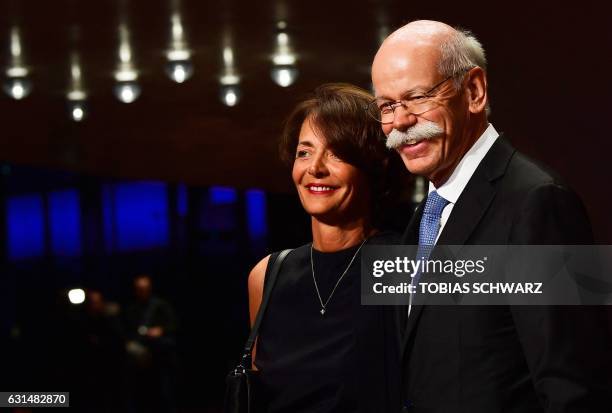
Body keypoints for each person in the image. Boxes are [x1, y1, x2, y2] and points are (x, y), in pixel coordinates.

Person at [370, 20, 612, 412]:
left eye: (416, 97)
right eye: (387, 106)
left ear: (474, 91)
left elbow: (578, 387)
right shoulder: (425, 216)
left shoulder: (541, 202)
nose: (400, 122)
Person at [248, 83, 403, 413]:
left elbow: (533, 281)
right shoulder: (269, 275)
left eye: (336, 153)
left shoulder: (402, 264)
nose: (314, 168)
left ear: (374, 166)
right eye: (304, 152)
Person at [124, 274, 178, 413]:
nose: (142, 291)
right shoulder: (131, 308)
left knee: (164, 393)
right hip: (139, 359)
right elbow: (126, 332)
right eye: (139, 289)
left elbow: (173, 325)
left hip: (160, 356)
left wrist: (160, 330)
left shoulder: (160, 305)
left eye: (145, 288)